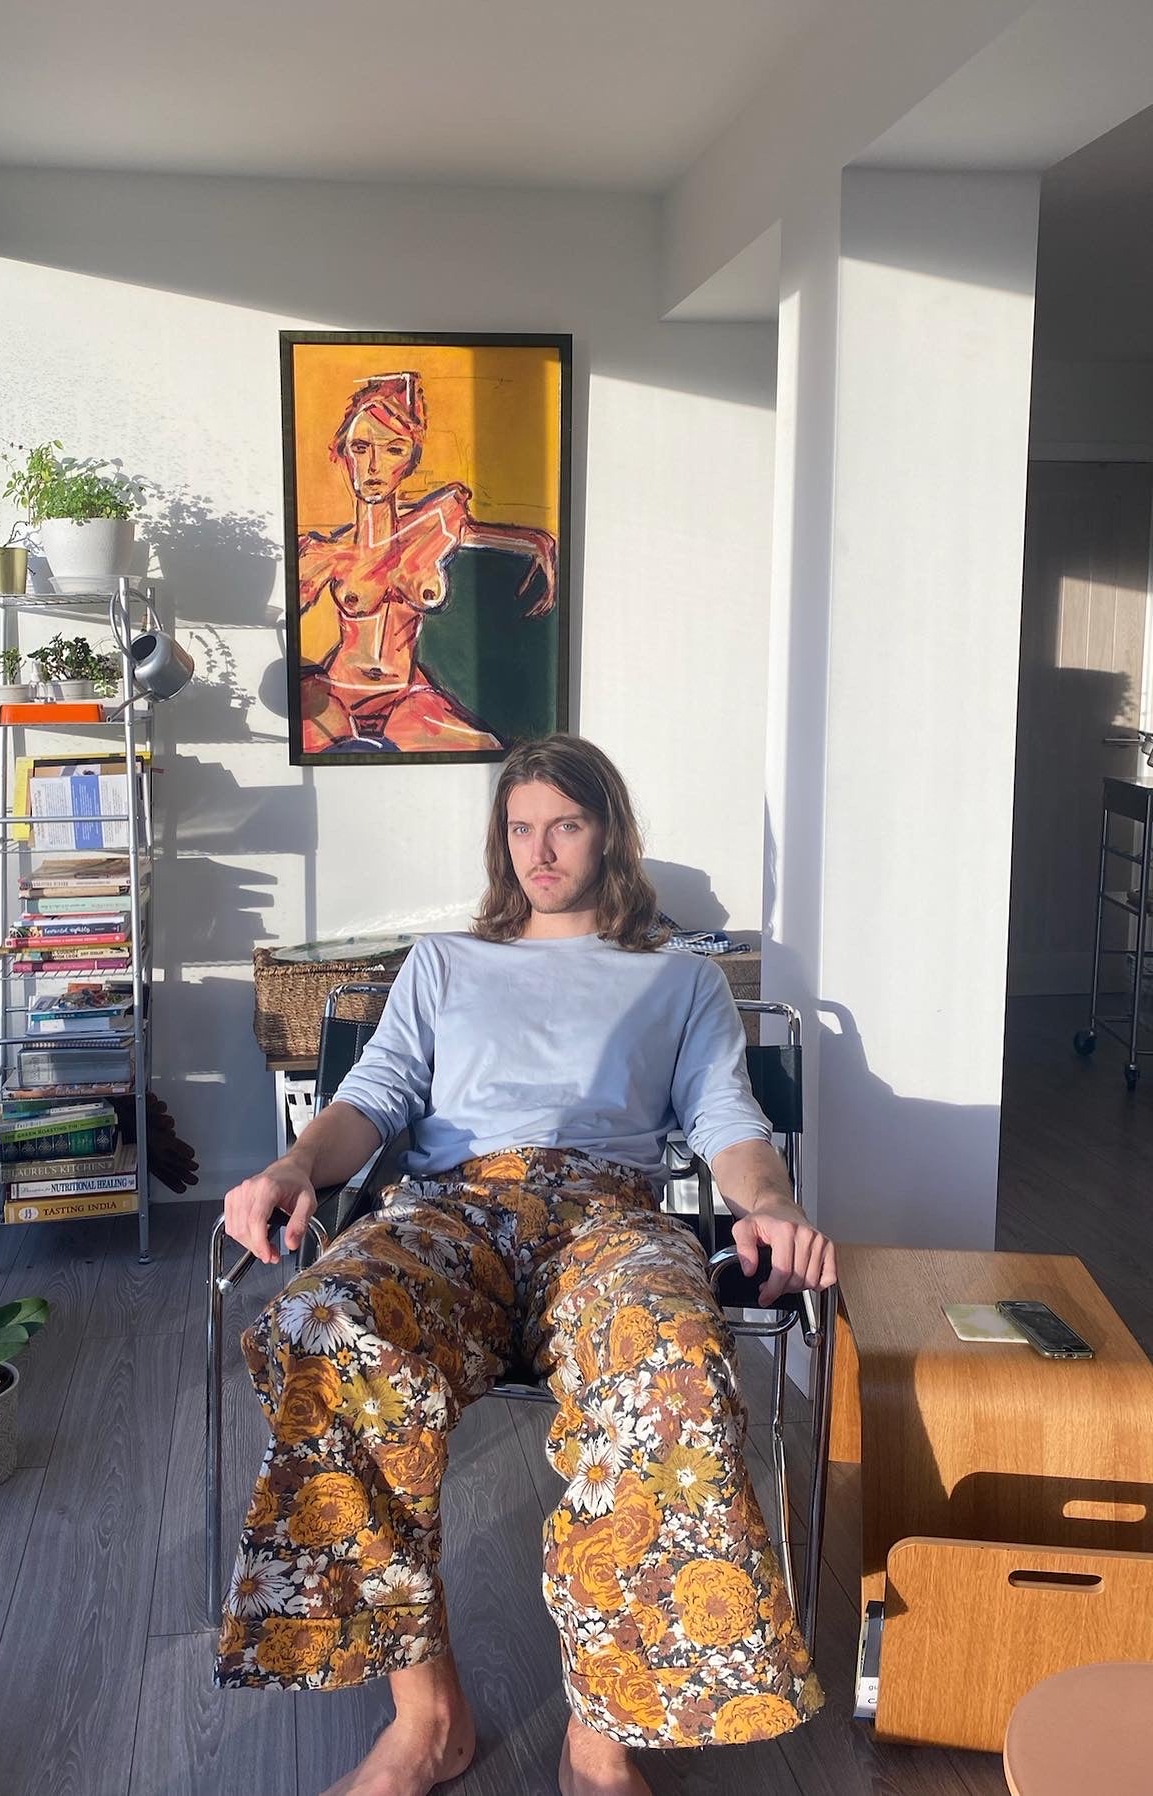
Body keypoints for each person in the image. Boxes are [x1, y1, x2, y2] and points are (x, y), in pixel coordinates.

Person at [217, 734, 837, 1796]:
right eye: (520, 827)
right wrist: (289, 1166)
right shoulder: (446, 962)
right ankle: (428, 1716)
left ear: (609, 833)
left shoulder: (677, 978)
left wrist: (772, 1203)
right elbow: (372, 1100)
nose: (539, 849)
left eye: (565, 824)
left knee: (674, 1360)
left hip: (609, 1214)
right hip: (456, 1208)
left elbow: (727, 1117)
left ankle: (600, 1740)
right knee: (322, 1323)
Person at [297, 372, 557, 754]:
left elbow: (497, 536)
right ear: (342, 453)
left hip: (409, 695)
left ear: (411, 460)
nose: (373, 467)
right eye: (361, 447)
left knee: (492, 751)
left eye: (393, 450)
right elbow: (273, 619)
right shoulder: (325, 554)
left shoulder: (434, 528)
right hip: (337, 693)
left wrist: (542, 543)